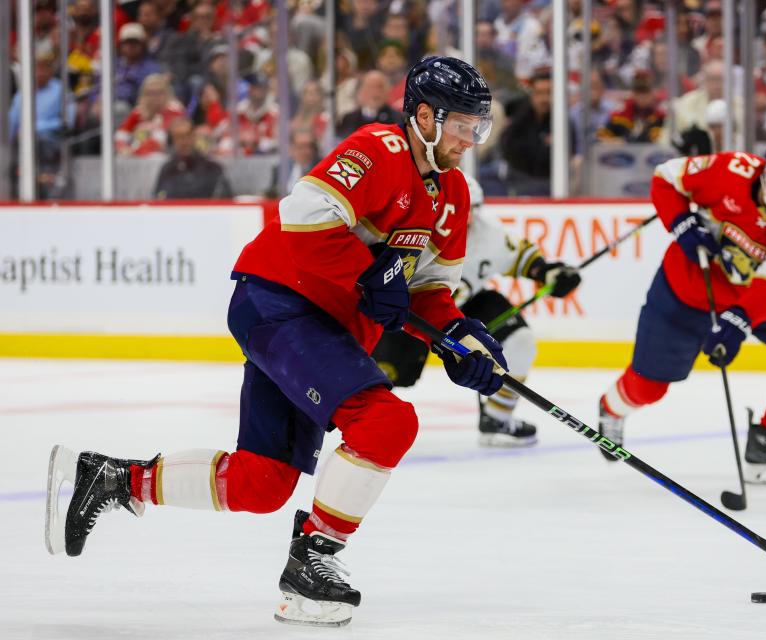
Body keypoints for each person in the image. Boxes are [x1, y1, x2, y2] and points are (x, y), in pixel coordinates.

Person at [46, 56, 501, 627]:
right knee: (386, 422)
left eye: (477, 127)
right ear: (425, 116)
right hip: (279, 303)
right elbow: (303, 216)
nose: (469, 139)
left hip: (322, 325)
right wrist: (370, 276)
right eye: (461, 124)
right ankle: (312, 561)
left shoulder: (454, 193)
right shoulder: (378, 149)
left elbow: (429, 290)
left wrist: (459, 339)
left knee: (262, 484)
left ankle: (114, 478)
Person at [596, 135, 766, 485]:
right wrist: (681, 224)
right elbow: (666, 177)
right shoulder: (729, 170)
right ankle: (611, 408)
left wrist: (739, 321)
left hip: (747, 294)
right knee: (648, 388)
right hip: (685, 289)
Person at [372, 173, 582, 447]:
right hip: (411, 311)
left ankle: (497, 418)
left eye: (471, 210)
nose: (463, 217)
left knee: (520, 341)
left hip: (464, 308)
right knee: (383, 375)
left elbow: (522, 259)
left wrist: (550, 272)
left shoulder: (489, 234)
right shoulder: (412, 230)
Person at [153, 117, 233, 199]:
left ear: (194, 137)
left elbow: (226, 204)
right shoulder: (167, 170)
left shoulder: (213, 169)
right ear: (173, 141)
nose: (184, 142)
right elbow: (158, 201)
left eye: (187, 135)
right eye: (179, 137)